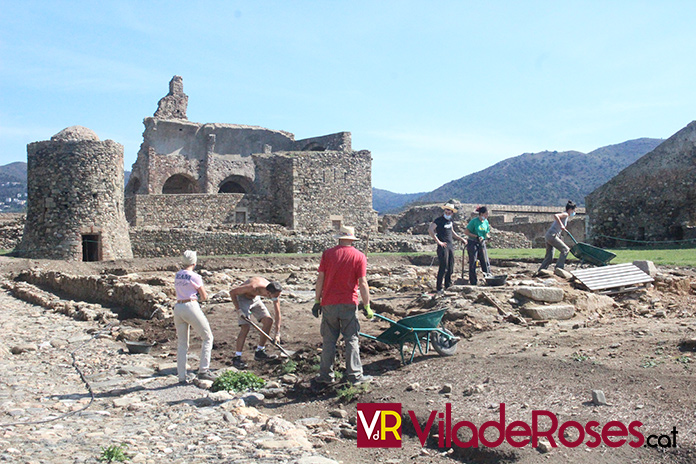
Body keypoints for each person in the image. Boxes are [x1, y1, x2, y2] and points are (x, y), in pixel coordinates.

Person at [312, 225, 374, 386]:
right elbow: (363, 282)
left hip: (329, 303)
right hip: (348, 302)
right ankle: (354, 375)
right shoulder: (359, 256)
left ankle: (325, 375)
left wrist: (317, 301)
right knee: (351, 338)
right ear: (352, 239)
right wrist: (367, 305)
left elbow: (321, 279)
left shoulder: (328, 254)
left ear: (339, 238)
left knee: (329, 340)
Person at [173, 250, 215, 383]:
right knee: (207, 337)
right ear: (194, 262)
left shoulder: (178, 275)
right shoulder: (195, 276)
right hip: (190, 306)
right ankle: (203, 370)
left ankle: (181, 376)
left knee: (182, 343)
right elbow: (203, 295)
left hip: (178, 307)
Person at [230, 277, 283, 369]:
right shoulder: (252, 287)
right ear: (268, 293)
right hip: (243, 299)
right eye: (274, 296)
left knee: (268, 321)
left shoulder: (274, 291)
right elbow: (232, 292)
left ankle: (260, 352)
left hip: (255, 299)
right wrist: (239, 310)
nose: (276, 298)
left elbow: (277, 313)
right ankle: (237, 358)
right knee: (245, 326)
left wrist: (277, 333)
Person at [428, 203, 467, 293]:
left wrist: (461, 238)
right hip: (442, 246)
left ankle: (448, 285)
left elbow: (452, 232)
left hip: (450, 245)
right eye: (447, 210)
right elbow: (430, 230)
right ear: (444, 210)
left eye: (450, 211)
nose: (448, 212)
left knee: (450, 266)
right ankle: (439, 287)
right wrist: (438, 242)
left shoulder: (450, 221)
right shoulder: (439, 220)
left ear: (452, 212)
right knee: (443, 266)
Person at [537, 200, 577, 273]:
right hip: (552, 235)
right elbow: (556, 215)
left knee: (549, 257)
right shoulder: (565, 214)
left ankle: (541, 271)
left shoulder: (565, 215)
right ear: (570, 209)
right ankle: (559, 268)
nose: (574, 212)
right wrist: (561, 225)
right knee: (565, 250)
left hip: (549, 235)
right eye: (574, 210)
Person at [464, 206, 491, 286]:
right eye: (486, 214)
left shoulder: (486, 222)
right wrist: (475, 236)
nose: (487, 216)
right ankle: (473, 281)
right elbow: (466, 232)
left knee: (485, 261)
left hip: (481, 242)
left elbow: (486, 232)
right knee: (473, 261)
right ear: (481, 213)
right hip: (473, 242)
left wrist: (488, 237)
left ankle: (488, 278)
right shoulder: (474, 221)